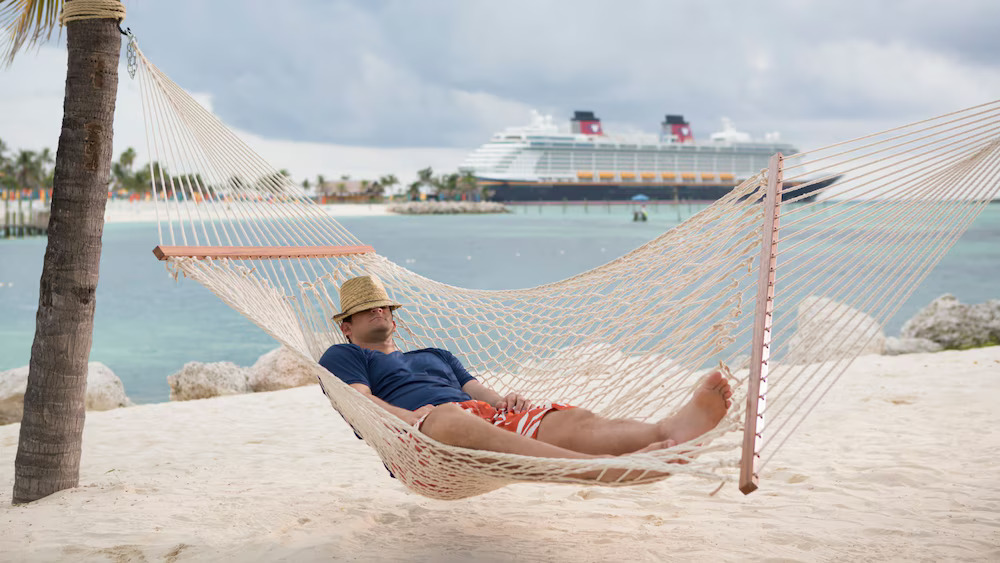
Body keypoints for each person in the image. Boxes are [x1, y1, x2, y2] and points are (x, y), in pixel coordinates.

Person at [319, 275, 732, 479]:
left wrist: (506, 402)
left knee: (571, 419)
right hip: (418, 439)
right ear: (347, 326)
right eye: (366, 309)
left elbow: (480, 392)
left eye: (384, 306)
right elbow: (359, 401)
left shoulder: (436, 355)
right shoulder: (344, 355)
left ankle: (668, 432)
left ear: (394, 318)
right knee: (449, 418)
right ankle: (601, 469)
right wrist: (409, 418)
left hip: (479, 418)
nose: (379, 311)